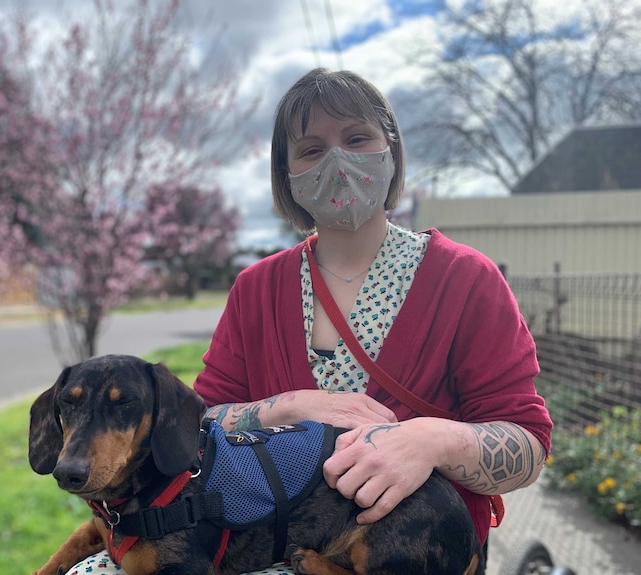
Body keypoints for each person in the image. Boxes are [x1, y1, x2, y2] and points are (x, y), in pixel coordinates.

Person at [62, 67, 552, 575]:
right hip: (265, 555)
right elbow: (199, 420)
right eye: (312, 149)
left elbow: (529, 442)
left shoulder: (465, 278)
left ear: (391, 150)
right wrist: (287, 407)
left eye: (358, 138)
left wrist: (432, 441)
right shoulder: (257, 289)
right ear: (287, 175)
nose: (338, 161)